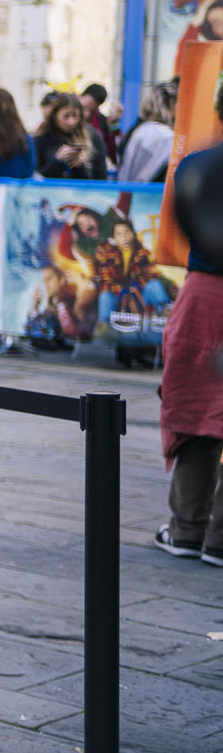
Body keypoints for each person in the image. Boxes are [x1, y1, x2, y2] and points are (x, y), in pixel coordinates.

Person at [157, 142, 223, 564]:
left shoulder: (197, 164)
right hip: (203, 295)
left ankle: (187, 529)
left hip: (204, 294)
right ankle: (218, 539)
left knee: (198, 413)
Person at [35, 91, 106, 180]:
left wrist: (79, 166)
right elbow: (37, 178)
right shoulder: (40, 140)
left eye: (75, 116)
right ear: (54, 116)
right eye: (66, 116)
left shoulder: (92, 136)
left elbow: (99, 177)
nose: (71, 122)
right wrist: (57, 160)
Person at [121, 85, 177, 185]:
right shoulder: (166, 136)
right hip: (151, 195)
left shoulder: (140, 128)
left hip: (132, 193)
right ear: (171, 102)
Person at [81, 82, 120, 172]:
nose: (86, 114)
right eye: (83, 108)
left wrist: (113, 126)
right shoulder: (66, 120)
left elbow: (113, 156)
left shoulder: (102, 122)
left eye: (92, 111)